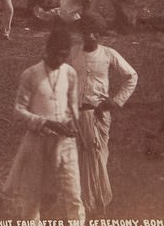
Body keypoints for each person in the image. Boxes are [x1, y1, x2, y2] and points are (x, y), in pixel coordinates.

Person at [3, 27, 84, 221]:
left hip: (65, 144)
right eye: (57, 55)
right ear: (47, 50)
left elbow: (73, 109)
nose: (61, 60)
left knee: (74, 195)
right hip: (37, 144)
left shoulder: (70, 74)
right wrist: (45, 122)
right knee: (33, 198)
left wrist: (71, 124)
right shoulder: (31, 74)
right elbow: (18, 111)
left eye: (65, 56)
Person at [70, 13, 138, 216]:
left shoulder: (108, 54)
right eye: (86, 32)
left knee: (99, 156)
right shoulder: (73, 53)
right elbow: (63, 77)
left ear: (99, 35)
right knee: (79, 158)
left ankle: (100, 203)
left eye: (94, 33)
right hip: (76, 114)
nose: (89, 36)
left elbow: (131, 76)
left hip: (99, 115)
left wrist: (115, 101)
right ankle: (83, 203)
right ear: (82, 34)